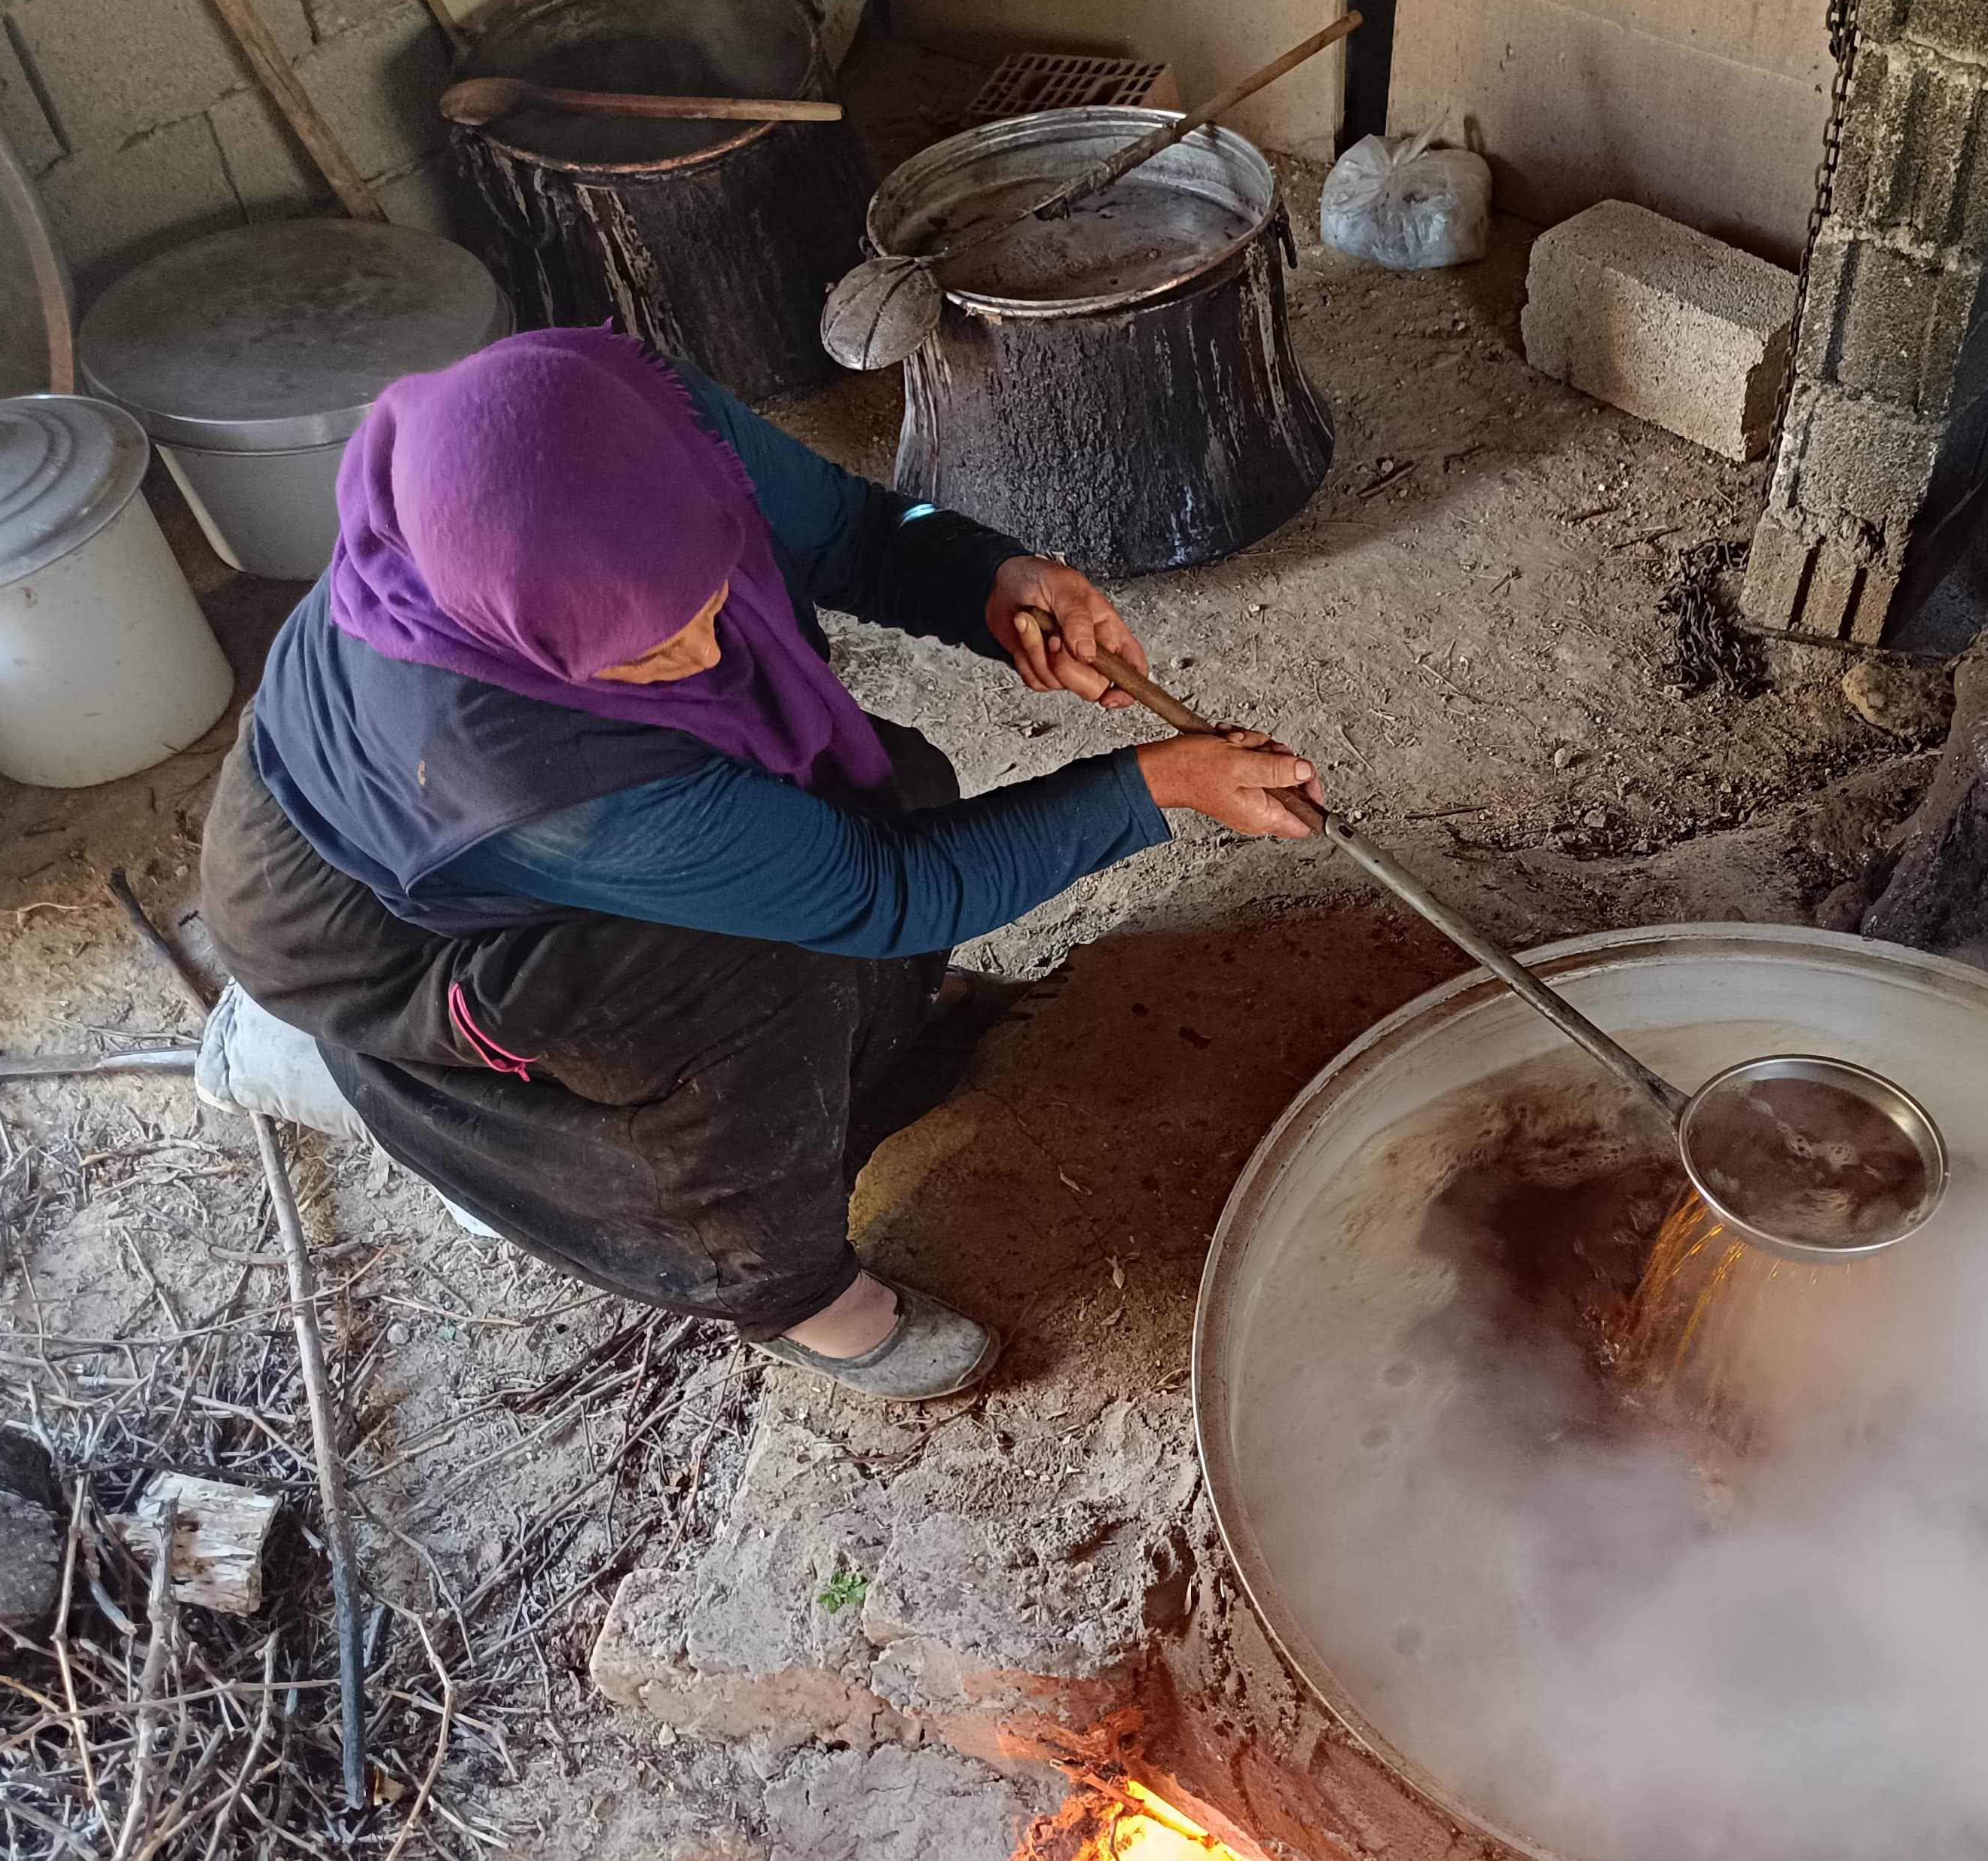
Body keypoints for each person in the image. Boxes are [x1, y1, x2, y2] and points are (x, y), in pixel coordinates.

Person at [200, 324, 1324, 1401]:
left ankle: (886, 1028)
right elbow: (885, 888)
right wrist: (1157, 786)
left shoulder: (636, 421)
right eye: (644, 653)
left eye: (705, 593)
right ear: (536, 640)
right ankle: (789, 1291)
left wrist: (992, 580)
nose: (706, 651)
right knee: (757, 977)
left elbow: (850, 536)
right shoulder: (536, 779)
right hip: (377, 933)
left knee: (901, 782)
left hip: (501, 803)